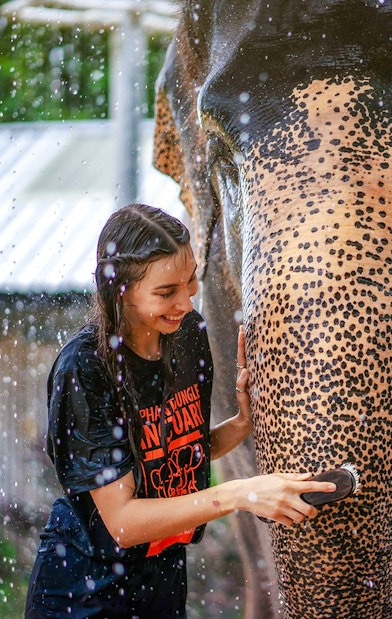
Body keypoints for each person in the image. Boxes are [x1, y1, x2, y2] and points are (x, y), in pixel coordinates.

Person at [25, 203, 336, 619]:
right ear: (119, 290)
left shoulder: (187, 334)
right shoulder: (85, 368)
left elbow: (175, 456)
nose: (185, 303)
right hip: (85, 590)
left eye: (190, 282)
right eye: (166, 292)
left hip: (163, 579)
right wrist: (240, 493)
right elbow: (123, 521)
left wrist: (242, 423)